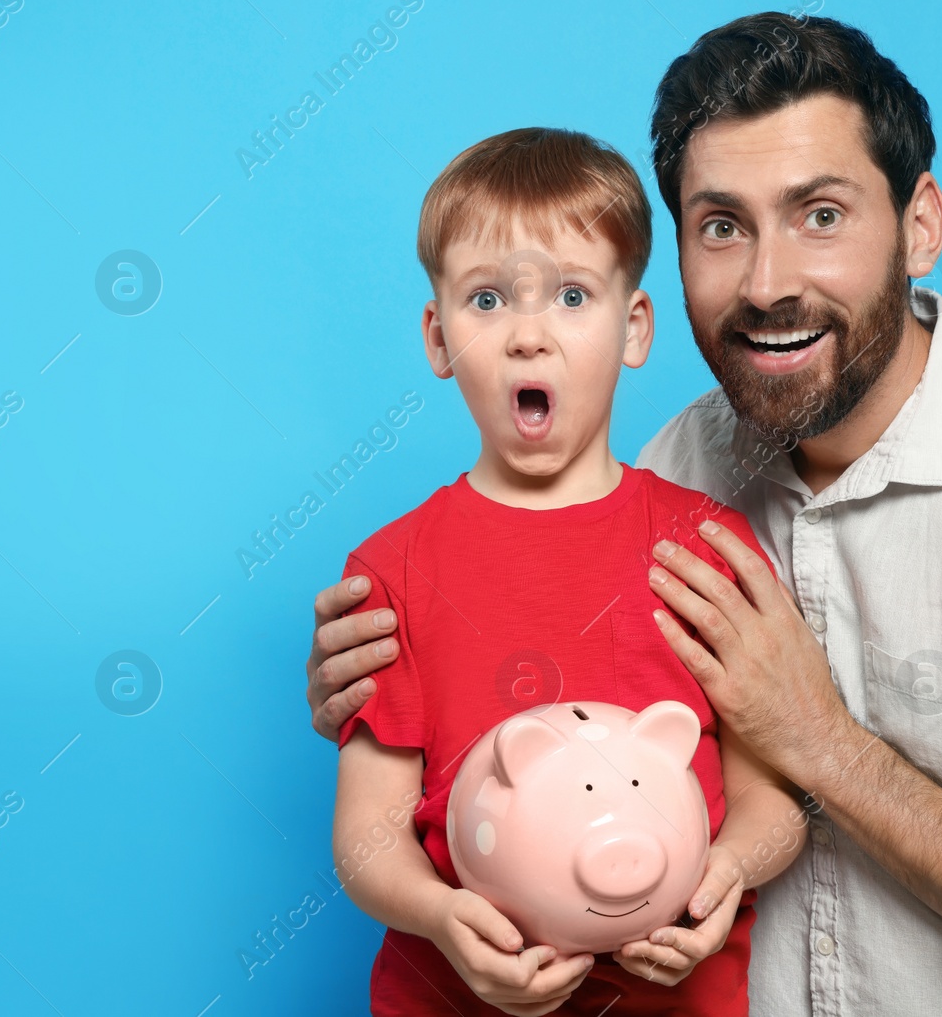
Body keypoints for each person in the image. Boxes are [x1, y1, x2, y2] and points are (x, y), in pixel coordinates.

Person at [312, 14, 942, 1016]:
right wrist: (398, 672)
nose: (767, 284)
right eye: (721, 226)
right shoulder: (672, 474)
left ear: (920, 224)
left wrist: (823, 743)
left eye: (821, 215)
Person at [330, 126, 806, 1017]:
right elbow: (365, 838)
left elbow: (769, 800)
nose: (528, 336)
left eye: (573, 296)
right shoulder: (393, 568)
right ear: (437, 339)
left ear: (634, 328)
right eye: (486, 300)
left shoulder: (708, 548)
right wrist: (442, 915)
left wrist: (727, 873)